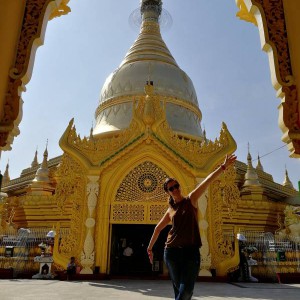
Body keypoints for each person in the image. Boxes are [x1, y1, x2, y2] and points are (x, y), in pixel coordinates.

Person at [147, 154, 236, 300]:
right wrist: (149, 248)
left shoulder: (191, 199)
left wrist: (223, 167)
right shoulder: (170, 210)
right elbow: (158, 228)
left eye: (176, 186)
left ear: (179, 186)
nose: (175, 189)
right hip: (171, 252)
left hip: (191, 252)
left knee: (186, 290)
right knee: (179, 290)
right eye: (171, 188)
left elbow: (207, 181)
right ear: (168, 192)